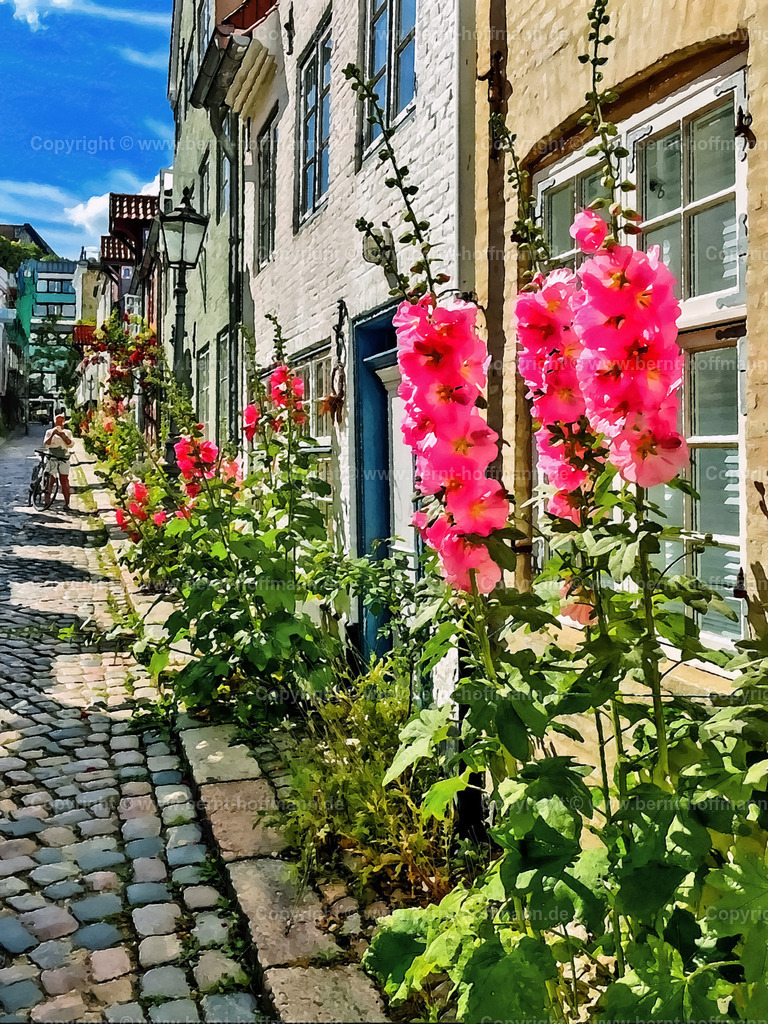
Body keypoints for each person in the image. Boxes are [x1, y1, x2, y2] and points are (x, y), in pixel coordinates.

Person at [43, 411, 74, 511]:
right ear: (54, 421)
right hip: (52, 458)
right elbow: (46, 444)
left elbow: (70, 444)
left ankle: (67, 503)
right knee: (50, 480)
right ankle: (47, 501)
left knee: (64, 480)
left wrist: (62, 435)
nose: (59, 424)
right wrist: (52, 434)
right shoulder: (49, 431)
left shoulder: (67, 432)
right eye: (57, 422)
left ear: (64, 422)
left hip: (64, 458)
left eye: (61, 422)